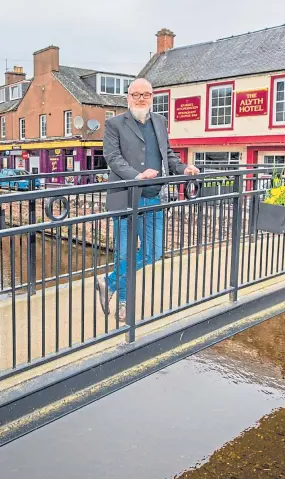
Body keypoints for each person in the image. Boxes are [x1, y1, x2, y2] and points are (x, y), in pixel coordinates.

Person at [97, 78, 199, 321]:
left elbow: (168, 154)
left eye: (146, 94)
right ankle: (123, 302)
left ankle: (108, 283)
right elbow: (112, 157)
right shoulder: (114, 123)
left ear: (152, 97)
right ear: (128, 97)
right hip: (126, 199)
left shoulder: (160, 121)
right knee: (123, 254)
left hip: (154, 198)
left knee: (153, 252)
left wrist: (183, 169)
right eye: (136, 94)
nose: (141, 98)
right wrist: (137, 176)